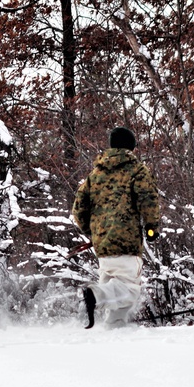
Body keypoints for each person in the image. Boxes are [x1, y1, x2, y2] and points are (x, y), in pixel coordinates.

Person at [71, 126, 160, 328]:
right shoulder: (137, 170)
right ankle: (96, 294)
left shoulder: (95, 174)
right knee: (129, 289)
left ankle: (113, 331)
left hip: (102, 245)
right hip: (126, 241)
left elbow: (78, 209)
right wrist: (152, 227)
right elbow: (148, 199)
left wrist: (91, 232)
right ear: (131, 146)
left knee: (115, 300)